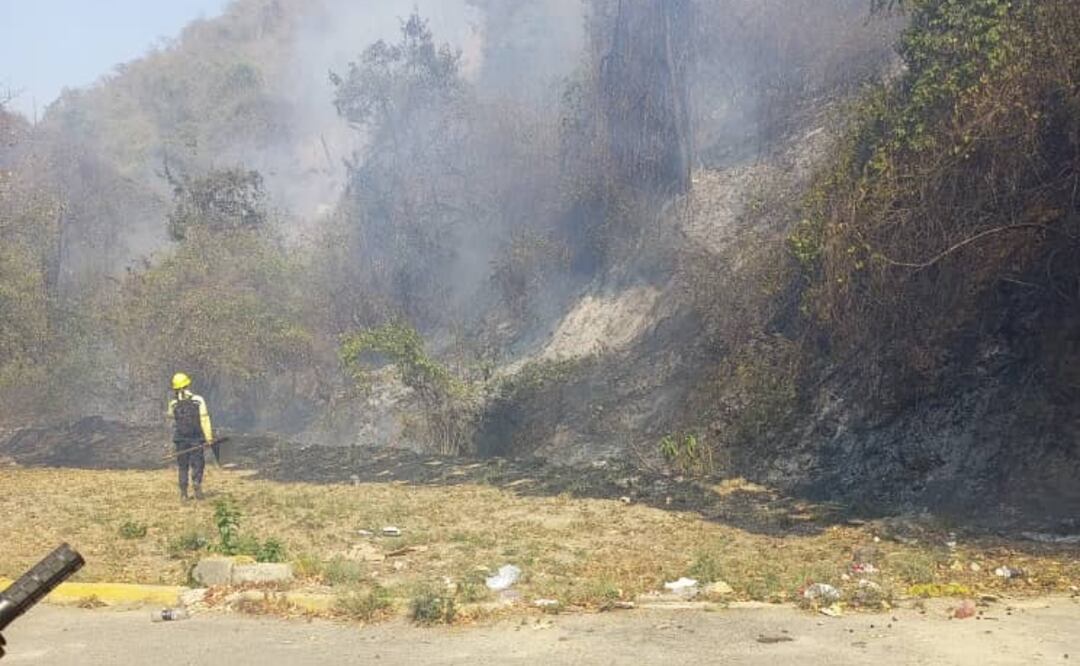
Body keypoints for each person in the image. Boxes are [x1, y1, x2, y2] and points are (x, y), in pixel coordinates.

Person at [166, 372, 214, 500]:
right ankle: (197, 482)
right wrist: (209, 437)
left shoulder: (173, 404)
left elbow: (171, 421)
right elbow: (204, 420)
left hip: (180, 439)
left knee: (183, 466)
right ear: (187, 385)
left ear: (175, 388)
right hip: (196, 438)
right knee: (198, 463)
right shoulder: (198, 400)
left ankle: (183, 493)